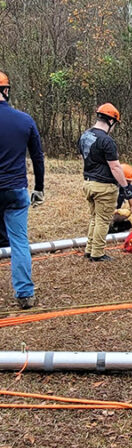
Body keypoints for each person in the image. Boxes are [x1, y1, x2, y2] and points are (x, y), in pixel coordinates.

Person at [0, 71, 45, 309]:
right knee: (18, 241)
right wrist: (39, 187)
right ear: (6, 91)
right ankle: (25, 294)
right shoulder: (25, 120)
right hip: (16, 190)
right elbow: (37, 158)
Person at [79, 103, 129, 261]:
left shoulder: (85, 135)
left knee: (95, 218)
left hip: (88, 183)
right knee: (103, 220)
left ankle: (89, 249)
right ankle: (98, 253)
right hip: (104, 186)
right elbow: (115, 167)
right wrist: (125, 187)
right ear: (111, 121)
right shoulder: (107, 141)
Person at [109, 163, 132, 233]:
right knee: (109, 219)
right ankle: (109, 229)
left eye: (130, 181)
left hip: (118, 213)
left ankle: (119, 229)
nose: (128, 183)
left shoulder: (129, 187)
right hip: (108, 213)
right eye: (127, 181)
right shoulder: (110, 185)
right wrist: (115, 211)